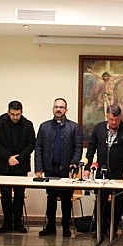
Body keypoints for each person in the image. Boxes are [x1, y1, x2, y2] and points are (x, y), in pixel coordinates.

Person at [83, 104, 123, 240]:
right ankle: (100, 228)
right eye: (111, 119)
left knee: (117, 202)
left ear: (120, 118)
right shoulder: (99, 129)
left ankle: (113, 228)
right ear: (107, 117)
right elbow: (91, 149)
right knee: (100, 200)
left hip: (119, 173)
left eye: (117, 119)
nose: (114, 122)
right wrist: (86, 168)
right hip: (102, 172)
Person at [35, 98, 83, 237]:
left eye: (61, 107)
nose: (58, 109)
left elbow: (78, 148)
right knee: (51, 199)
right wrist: (39, 167)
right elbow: (38, 147)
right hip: (50, 169)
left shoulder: (74, 127)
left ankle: (66, 227)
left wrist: (74, 164)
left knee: (66, 200)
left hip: (66, 171)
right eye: (56, 107)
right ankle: (50, 226)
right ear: (52, 109)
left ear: (66, 110)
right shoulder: (44, 127)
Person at [0, 100, 35, 234]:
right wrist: (8, 157)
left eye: (17, 114)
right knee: (5, 194)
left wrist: (18, 159)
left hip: (20, 166)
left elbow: (31, 144)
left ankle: (17, 222)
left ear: (22, 112)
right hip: (4, 164)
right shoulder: (1, 123)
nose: (15, 117)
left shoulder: (28, 125)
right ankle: (7, 222)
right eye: (12, 114)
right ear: (8, 112)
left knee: (19, 194)